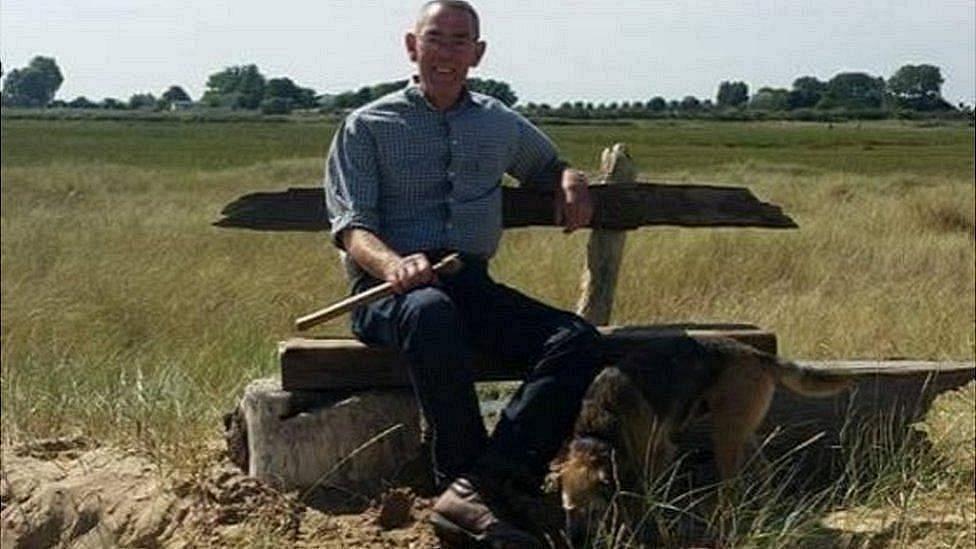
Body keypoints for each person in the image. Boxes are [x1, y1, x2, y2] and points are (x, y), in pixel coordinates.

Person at [324, 1, 603, 545]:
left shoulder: (497, 122)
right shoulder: (366, 126)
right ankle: (461, 483)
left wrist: (571, 177)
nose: (447, 52)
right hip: (386, 292)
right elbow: (351, 226)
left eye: (459, 41)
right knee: (431, 313)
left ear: (477, 53)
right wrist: (393, 263)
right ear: (412, 46)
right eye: (436, 38)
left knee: (577, 341)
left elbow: (547, 164)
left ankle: (487, 482)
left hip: (466, 280)